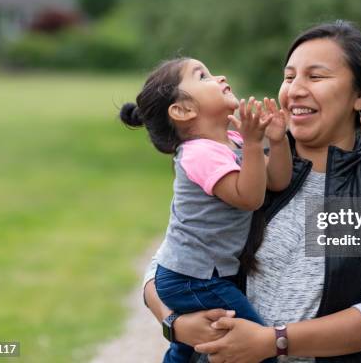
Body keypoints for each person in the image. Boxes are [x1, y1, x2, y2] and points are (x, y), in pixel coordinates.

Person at [143, 20, 361, 362]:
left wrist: (273, 341)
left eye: (316, 76)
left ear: (359, 96)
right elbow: (165, 265)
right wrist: (174, 324)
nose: (295, 89)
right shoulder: (250, 169)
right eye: (290, 76)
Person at [120, 57, 291, 363]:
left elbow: (276, 181)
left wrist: (276, 142)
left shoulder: (234, 141)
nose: (220, 76)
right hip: (192, 278)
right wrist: (254, 145)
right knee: (255, 344)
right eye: (203, 76)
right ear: (183, 110)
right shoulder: (198, 153)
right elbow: (249, 197)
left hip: (201, 275)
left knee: (188, 348)